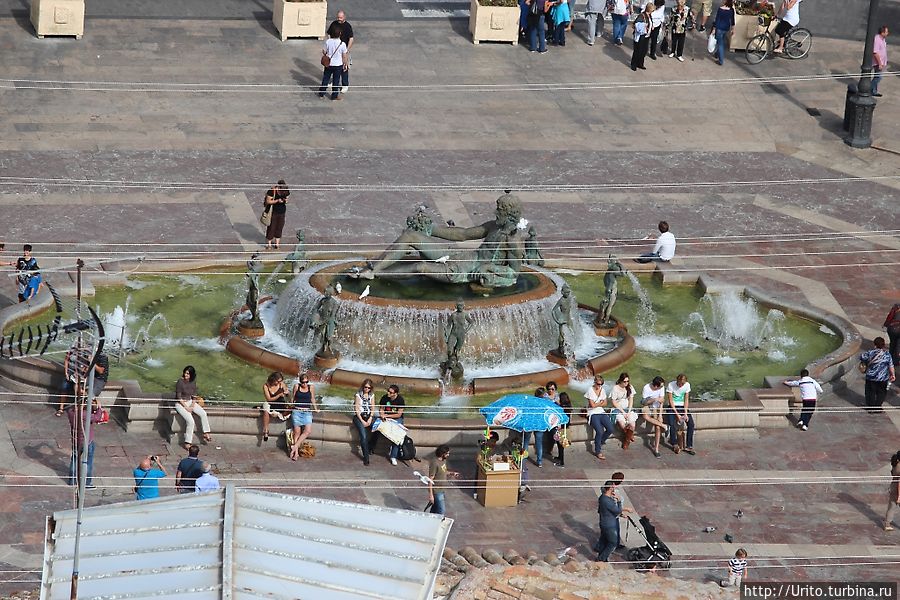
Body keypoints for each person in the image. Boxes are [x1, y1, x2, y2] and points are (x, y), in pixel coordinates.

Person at [67, 399, 104, 488]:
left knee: (74, 460)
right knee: (88, 462)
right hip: (87, 441)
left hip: (75, 441)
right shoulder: (85, 415)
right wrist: (99, 407)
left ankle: (72, 480)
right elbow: (98, 417)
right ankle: (87, 482)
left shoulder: (70, 412)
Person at [175, 365, 212, 448]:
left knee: (203, 413)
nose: (185, 375)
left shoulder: (193, 382)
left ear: (192, 375)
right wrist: (186, 407)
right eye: (185, 373)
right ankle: (187, 442)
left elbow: (194, 396)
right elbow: (178, 397)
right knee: (190, 421)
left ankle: (206, 433)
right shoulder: (180, 382)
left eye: (188, 374)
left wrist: (192, 405)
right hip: (180, 403)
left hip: (190, 401)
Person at [370, 384, 406, 465]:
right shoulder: (384, 397)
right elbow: (381, 409)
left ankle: (393, 456)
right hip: (386, 417)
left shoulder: (400, 400)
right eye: (388, 391)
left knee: (397, 435)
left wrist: (387, 416)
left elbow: (399, 414)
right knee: (376, 427)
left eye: (390, 392)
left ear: (395, 393)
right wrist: (382, 415)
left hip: (396, 418)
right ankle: (371, 448)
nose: (388, 393)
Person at [597, 480, 631, 561]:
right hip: (609, 524)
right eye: (613, 487)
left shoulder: (602, 498)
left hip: (604, 522)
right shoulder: (607, 501)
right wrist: (619, 501)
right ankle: (602, 558)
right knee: (613, 542)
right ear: (610, 488)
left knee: (604, 540)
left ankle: (600, 552)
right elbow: (617, 510)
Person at [289, 374, 320, 461]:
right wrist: (289, 405)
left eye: (307, 382)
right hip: (297, 411)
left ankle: (294, 447)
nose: (305, 384)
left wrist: (316, 409)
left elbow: (312, 399)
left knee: (307, 431)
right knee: (297, 432)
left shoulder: (311, 388)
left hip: (307, 412)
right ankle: (296, 453)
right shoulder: (296, 386)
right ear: (300, 382)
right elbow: (293, 398)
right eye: (303, 382)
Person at [859, 337, 895, 412]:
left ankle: (870, 407)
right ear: (883, 345)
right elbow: (891, 366)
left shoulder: (870, 353)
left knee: (870, 392)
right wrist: (893, 375)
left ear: (875, 345)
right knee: (881, 392)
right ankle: (878, 407)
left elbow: (861, 357)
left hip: (871, 377)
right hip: (883, 378)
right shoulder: (887, 354)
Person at [585, 374, 613, 460]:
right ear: (594, 383)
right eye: (598, 384)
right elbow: (592, 405)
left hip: (601, 411)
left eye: (601, 384)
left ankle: (600, 441)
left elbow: (605, 403)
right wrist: (599, 403)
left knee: (610, 429)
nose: (599, 386)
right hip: (593, 413)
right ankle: (598, 451)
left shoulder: (602, 390)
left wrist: (598, 404)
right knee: (599, 431)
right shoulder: (590, 390)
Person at [666, 373, 695, 454]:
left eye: (683, 384)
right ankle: (674, 443)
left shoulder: (687, 385)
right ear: (677, 380)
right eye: (680, 383)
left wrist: (685, 413)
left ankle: (689, 445)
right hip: (672, 407)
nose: (681, 385)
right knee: (672, 424)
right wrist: (677, 414)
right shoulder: (671, 385)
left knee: (691, 424)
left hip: (682, 407)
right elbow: (671, 401)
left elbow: (686, 399)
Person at [426, 445, 459, 515]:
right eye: (447, 453)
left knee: (435, 508)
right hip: (437, 491)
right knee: (442, 510)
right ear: (442, 453)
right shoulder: (434, 463)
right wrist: (431, 495)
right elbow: (430, 480)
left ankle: (430, 519)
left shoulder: (443, 461)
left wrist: (452, 473)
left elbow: (443, 471)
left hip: (442, 489)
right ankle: (439, 523)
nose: (448, 455)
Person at [327, 10, 354, 93]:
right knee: (333, 66)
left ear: (344, 17)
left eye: (341, 18)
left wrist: (347, 49)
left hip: (343, 49)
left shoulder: (347, 26)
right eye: (338, 17)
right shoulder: (334, 24)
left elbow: (351, 39)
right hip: (334, 49)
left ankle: (345, 84)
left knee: (344, 67)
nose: (339, 19)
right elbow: (329, 34)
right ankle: (333, 81)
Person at [319, 25, 348, 101]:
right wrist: (345, 64)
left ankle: (321, 93)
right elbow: (344, 56)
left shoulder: (328, 41)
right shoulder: (342, 44)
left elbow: (324, 51)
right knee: (336, 81)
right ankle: (334, 96)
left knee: (326, 78)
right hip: (338, 65)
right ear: (340, 34)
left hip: (329, 64)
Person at [610, 373, 638, 450]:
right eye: (625, 381)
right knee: (622, 424)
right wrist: (622, 412)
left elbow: (631, 400)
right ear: (621, 381)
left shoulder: (630, 387)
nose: (626, 383)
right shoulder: (615, 388)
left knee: (632, 424)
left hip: (628, 409)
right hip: (619, 409)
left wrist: (628, 411)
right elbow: (614, 402)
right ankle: (627, 439)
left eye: (627, 381)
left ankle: (627, 438)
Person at [641, 376, 667, 458]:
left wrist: (660, 415)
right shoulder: (646, 388)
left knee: (658, 427)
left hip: (656, 408)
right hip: (648, 405)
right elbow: (644, 402)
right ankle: (664, 426)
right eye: (660, 386)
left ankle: (656, 449)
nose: (662, 388)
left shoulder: (661, 387)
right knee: (645, 415)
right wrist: (654, 399)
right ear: (656, 386)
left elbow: (662, 401)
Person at [261, 371, 290, 442]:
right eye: (278, 381)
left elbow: (288, 395)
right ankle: (266, 430)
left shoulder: (281, 384)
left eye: (281, 381)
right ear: (274, 379)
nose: (279, 382)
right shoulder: (266, 386)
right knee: (265, 408)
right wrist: (279, 395)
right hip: (271, 403)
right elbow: (269, 399)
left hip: (280, 403)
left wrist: (287, 393)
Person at [546, 392, 573, 467]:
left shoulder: (561, 408)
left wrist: (560, 426)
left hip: (561, 429)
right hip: (565, 428)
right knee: (560, 446)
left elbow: (564, 420)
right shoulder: (568, 407)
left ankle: (562, 462)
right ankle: (559, 457)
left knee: (560, 446)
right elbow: (569, 420)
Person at [353, 378, 376, 466]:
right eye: (365, 387)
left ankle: (370, 447)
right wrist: (362, 421)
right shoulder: (358, 395)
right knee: (363, 436)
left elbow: (373, 408)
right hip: (359, 417)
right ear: (363, 387)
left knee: (379, 428)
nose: (367, 389)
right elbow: (357, 409)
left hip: (369, 416)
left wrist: (370, 418)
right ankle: (366, 458)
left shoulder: (372, 395)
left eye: (369, 388)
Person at [263, 180, 290, 250]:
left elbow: (287, 200)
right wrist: (277, 201)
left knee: (279, 227)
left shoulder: (286, 191)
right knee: (271, 228)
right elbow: (268, 201)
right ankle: (268, 244)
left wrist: (285, 200)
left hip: (282, 212)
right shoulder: (272, 191)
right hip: (273, 212)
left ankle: (277, 244)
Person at [710, 0, 735, 66]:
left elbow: (717, 20)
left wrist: (714, 29)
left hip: (719, 28)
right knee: (721, 41)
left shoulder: (720, 9)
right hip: (726, 28)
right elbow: (732, 20)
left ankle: (721, 60)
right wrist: (732, 29)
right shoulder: (731, 10)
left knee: (720, 44)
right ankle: (717, 54)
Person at [630, 3, 653, 71]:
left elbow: (650, 22)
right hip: (641, 36)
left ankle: (640, 63)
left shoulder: (649, 15)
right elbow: (637, 25)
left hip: (646, 36)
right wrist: (645, 26)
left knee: (644, 51)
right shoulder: (641, 15)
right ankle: (634, 64)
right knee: (637, 51)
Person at [884, 449, 900, 531]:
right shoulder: (899, 467)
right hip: (898, 488)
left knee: (891, 506)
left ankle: (887, 524)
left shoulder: (895, 464)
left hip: (893, 486)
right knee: (892, 506)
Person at [873, 26, 889, 97]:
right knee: (878, 77)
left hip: (881, 62)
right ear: (882, 32)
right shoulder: (877, 39)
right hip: (877, 62)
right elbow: (875, 52)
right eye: (886, 32)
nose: (888, 33)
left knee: (877, 76)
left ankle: (874, 91)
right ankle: (868, 88)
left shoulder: (882, 39)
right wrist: (879, 63)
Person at [885, 302, 900, 367]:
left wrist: (886, 324)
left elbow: (890, 316)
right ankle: (895, 361)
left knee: (892, 344)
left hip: (891, 329)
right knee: (898, 345)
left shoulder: (896, 306)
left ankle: (890, 359)